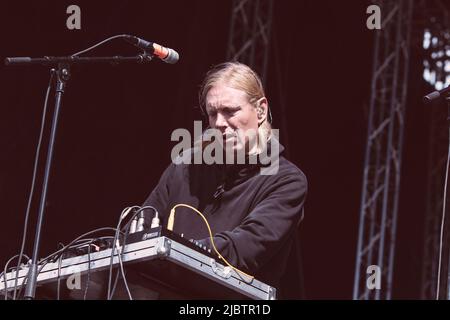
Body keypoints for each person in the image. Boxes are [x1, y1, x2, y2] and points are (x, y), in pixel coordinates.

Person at [142, 61, 307, 299]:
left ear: (260, 111)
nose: (219, 122)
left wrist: (176, 250)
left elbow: (243, 250)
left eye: (230, 111)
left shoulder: (287, 181)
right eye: (212, 113)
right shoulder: (184, 167)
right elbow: (141, 225)